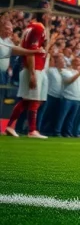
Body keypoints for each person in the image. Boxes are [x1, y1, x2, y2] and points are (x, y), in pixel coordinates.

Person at [3, 11, 50, 139]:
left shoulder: (30, 27)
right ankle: (32, 130)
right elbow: (31, 52)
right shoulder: (38, 28)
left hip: (30, 67)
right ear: (44, 14)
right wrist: (33, 72)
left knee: (27, 100)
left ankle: (11, 126)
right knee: (33, 100)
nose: (51, 17)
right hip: (33, 67)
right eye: (49, 14)